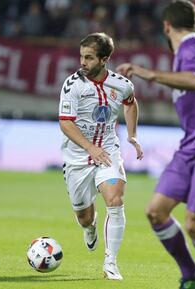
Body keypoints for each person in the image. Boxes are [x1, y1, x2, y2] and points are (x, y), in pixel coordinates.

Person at [116, 1, 195, 288]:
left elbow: (194, 81)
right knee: (156, 212)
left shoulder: (193, 45)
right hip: (191, 145)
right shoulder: (186, 51)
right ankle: (192, 276)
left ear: (166, 26)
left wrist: (149, 73)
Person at [59, 32, 143, 280]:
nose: (82, 62)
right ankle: (91, 227)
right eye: (81, 56)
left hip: (107, 150)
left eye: (89, 57)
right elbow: (66, 124)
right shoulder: (72, 85)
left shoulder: (122, 84)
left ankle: (111, 263)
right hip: (77, 158)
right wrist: (90, 149)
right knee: (84, 217)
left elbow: (130, 103)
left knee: (115, 201)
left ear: (104, 59)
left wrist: (132, 135)